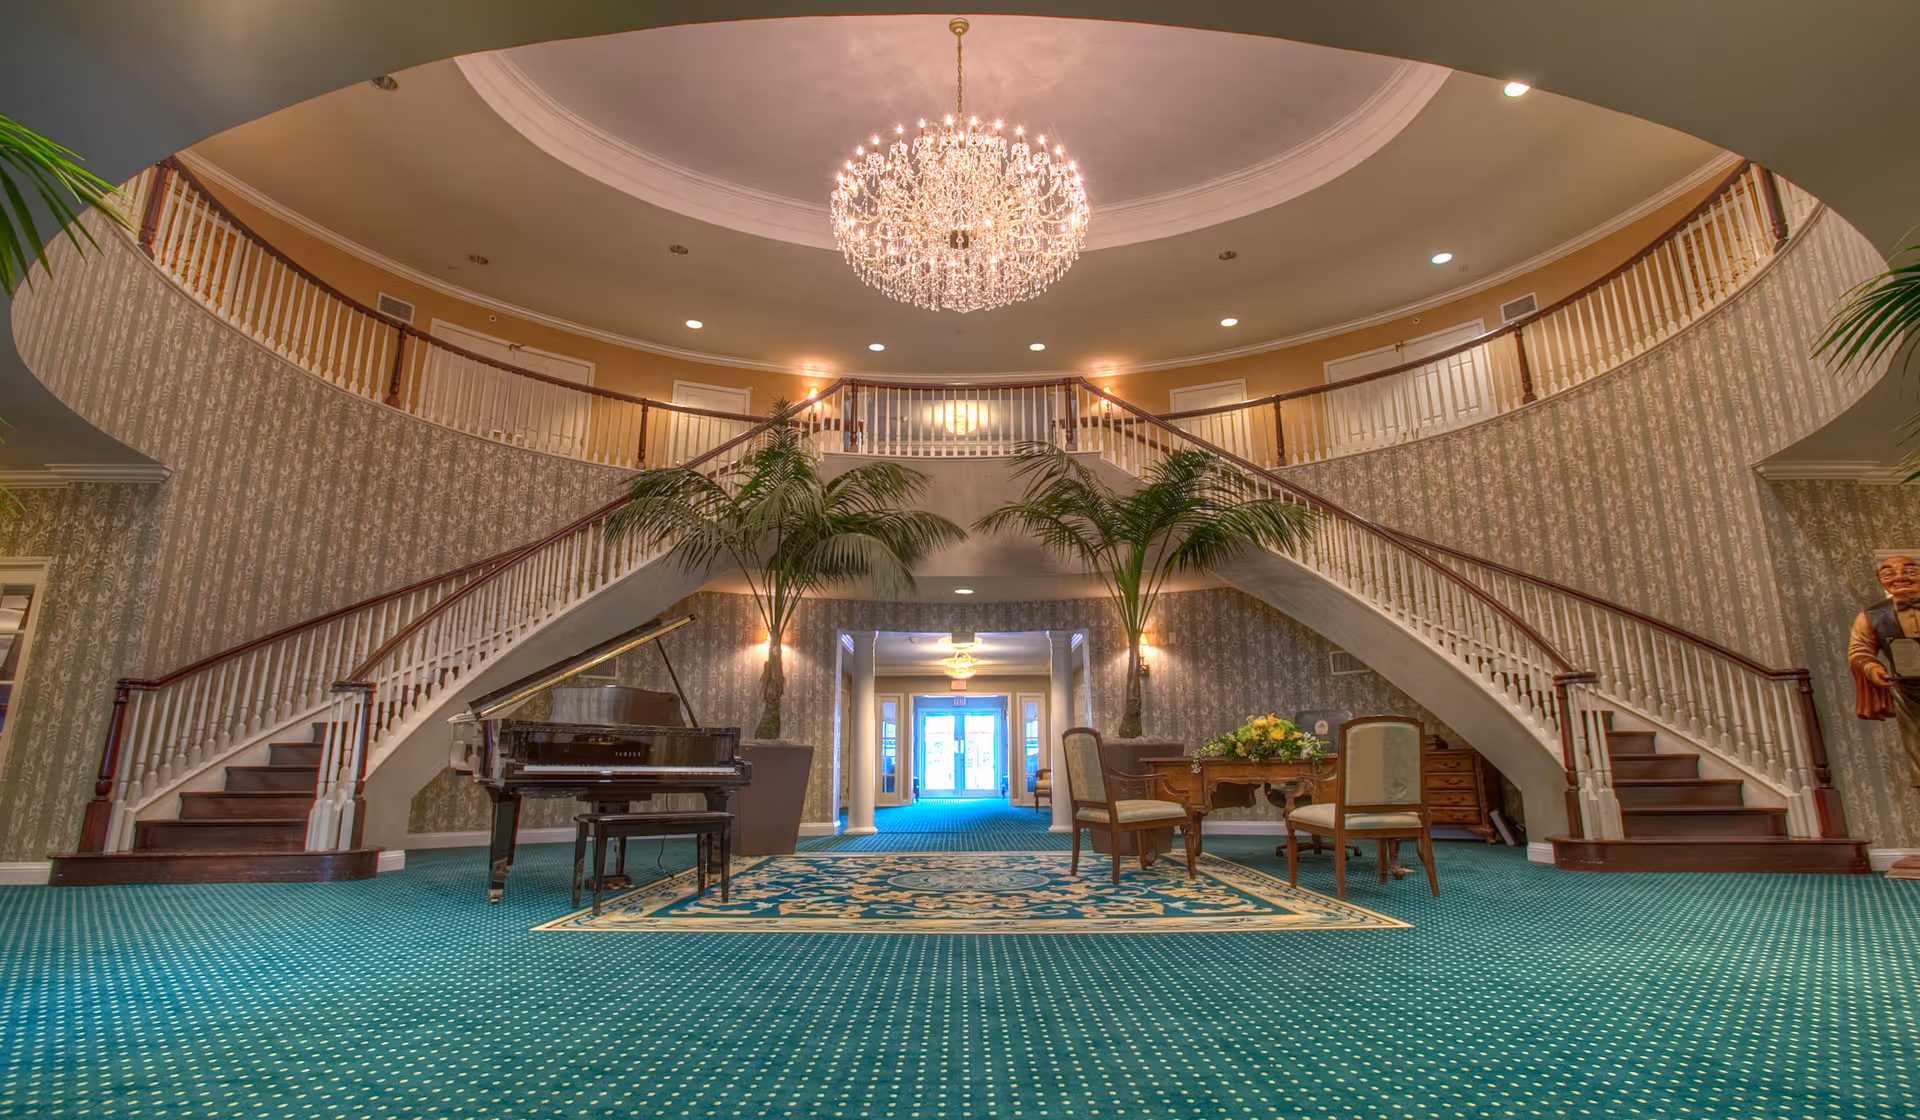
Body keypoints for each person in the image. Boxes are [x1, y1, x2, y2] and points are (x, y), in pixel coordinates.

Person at [1848, 554, 1920, 787]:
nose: (1900, 577)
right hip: (1909, 692)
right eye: (1889, 573)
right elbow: (1860, 649)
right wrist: (1872, 669)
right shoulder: (1870, 617)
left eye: (1909, 571)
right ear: (1880, 579)